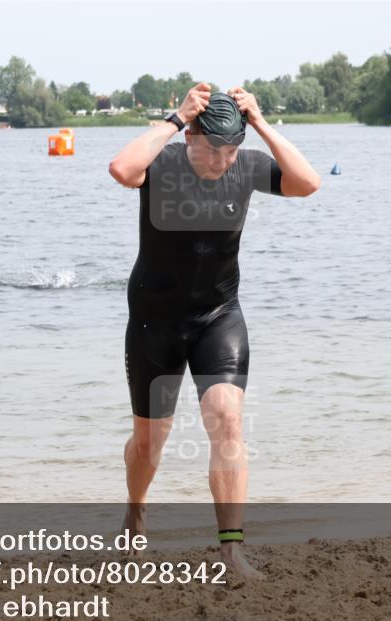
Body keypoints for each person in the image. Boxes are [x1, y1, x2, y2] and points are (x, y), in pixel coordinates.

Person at [108, 83, 320, 578]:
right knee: (149, 443)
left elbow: (308, 182)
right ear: (190, 139)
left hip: (218, 316)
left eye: (231, 151)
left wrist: (262, 124)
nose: (222, 162)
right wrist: (175, 118)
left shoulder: (243, 168)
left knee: (226, 418)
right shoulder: (162, 162)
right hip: (154, 321)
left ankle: (230, 550)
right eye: (211, 150)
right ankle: (136, 511)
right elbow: (121, 169)